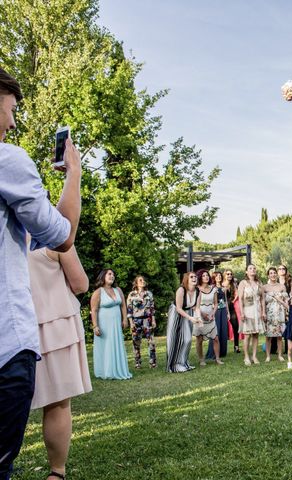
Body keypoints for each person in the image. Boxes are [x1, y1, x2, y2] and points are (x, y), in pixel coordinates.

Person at [0, 67, 81, 479]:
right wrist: (74, 174)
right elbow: (62, 235)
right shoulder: (7, 160)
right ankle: (57, 471)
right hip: (9, 342)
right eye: (11, 108)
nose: (13, 121)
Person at [28, 245, 91, 480]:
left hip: (12, 325)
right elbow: (80, 284)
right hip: (55, 324)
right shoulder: (50, 231)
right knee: (57, 404)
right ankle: (57, 472)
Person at [90, 269, 132, 380]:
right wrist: (95, 326)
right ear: (103, 276)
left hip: (116, 324)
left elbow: (123, 305)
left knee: (116, 344)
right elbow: (94, 310)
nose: (112, 276)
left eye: (113, 274)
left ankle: (118, 369)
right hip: (104, 325)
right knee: (106, 347)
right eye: (109, 274)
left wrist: (125, 319)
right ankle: (106, 371)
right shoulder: (98, 292)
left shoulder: (117, 290)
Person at [166, 272, 203, 373]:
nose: (194, 278)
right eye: (191, 277)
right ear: (186, 279)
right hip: (176, 314)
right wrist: (191, 318)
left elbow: (197, 307)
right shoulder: (181, 290)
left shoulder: (198, 291)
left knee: (187, 339)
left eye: (195, 276)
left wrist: (198, 318)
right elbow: (178, 308)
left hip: (188, 313)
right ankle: (174, 365)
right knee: (175, 339)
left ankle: (183, 363)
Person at [126, 276, 157, 369]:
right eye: (140, 280)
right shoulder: (131, 295)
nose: (143, 281)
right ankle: (137, 363)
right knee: (136, 342)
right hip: (136, 320)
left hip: (147, 320)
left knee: (151, 341)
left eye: (143, 280)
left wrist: (154, 320)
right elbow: (129, 310)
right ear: (136, 283)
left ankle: (153, 362)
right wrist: (131, 323)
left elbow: (152, 308)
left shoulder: (149, 294)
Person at [238, 264, 265, 366]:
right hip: (247, 311)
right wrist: (242, 313)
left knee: (256, 335)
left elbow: (262, 298)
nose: (253, 270)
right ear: (246, 272)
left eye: (254, 268)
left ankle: (254, 356)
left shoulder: (259, 283)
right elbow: (240, 299)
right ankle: (246, 357)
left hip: (257, 311)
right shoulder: (243, 283)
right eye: (250, 268)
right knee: (247, 335)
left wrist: (263, 312)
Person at [194, 270, 222, 366]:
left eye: (207, 275)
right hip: (199, 317)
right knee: (199, 340)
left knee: (215, 338)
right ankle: (201, 359)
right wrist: (202, 314)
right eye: (203, 276)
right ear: (200, 278)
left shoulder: (213, 289)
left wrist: (213, 313)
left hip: (210, 317)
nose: (206, 277)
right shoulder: (196, 289)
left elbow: (216, 303)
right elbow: (193, 305)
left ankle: (217, 359)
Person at [263, 267, 289, 362]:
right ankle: (268, 356)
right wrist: (263, 313)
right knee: (268, 336)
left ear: (276, 275)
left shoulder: (282, 286)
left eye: (274, 273)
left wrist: (286, 313)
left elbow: (286, 301)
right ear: (268, 275)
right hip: (269, 313)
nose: (273, 275)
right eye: (271, 273)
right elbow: (262, 302)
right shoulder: (265, 287)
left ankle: (280, 355)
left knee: (279, 335)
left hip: (280, 313)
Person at [207, 271, 230, 360]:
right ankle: (212, 352)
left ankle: (222, 352)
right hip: (215, 311)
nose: (219, 277)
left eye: (220, 276)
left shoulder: (224, 287)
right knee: (216, 331)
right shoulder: (212, 288)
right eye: (217, 276)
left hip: (223, 310)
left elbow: (226, 301)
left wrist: (228, 312)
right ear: (214, 278)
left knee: (223, 330)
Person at [223, 269, 241, 353]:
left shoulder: (233, 284)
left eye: (231, 274)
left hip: (231, 308)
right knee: (222, 328)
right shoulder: (222, 285)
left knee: (236, 326)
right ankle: (221, 347)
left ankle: (236, 346)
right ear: (225, 275)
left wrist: (233, 300)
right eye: (228, 274)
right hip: (223, 308)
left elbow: (237, 294)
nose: (229, 275)